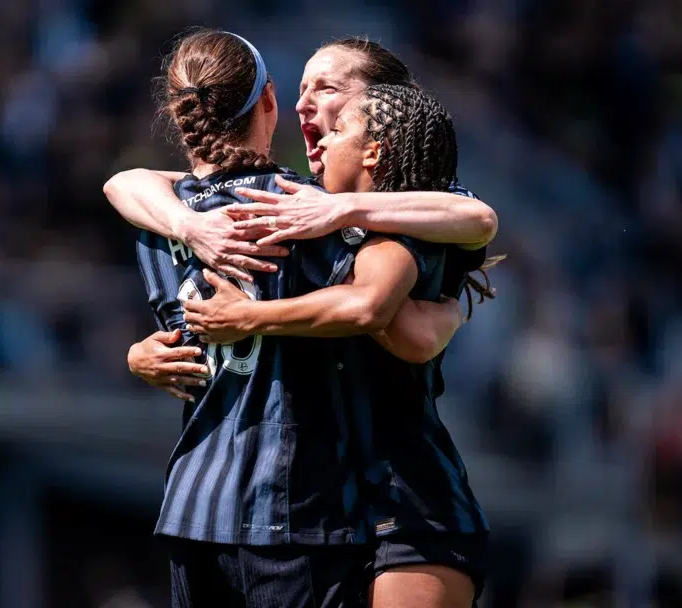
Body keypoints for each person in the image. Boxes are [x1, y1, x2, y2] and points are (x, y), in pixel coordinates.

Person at [125, 29, 478, 607]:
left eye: (330, 93)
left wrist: (254, 314)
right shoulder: (293, 210)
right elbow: (129, 182)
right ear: (265, 99)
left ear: (382, 132)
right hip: (305, 506)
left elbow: (416, 297)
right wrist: (146, 350)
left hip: (404, 501)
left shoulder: (401, 215)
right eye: (298, 89)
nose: (304, 105)